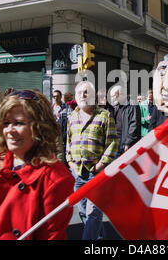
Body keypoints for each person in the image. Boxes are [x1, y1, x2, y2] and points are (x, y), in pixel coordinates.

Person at [0, 89, 74, 240]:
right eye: (6, 123)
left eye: (19, 123)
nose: (9, 131)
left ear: (40, 127)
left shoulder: (55, 178)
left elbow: (50, 236)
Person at [65, 81, 118, 240]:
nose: (83, 95)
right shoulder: (72, 116)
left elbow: (113, 142)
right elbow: (68, 141)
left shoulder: (104, 115)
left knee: (93, 212)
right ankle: (99, 236)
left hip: (96, 173)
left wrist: (101, 164)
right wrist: (70, 162)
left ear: (94, 96)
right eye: (80, 92)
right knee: (82, 211)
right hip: (78, 173)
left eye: (86, 92)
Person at [109, 84, 141, 157]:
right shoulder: (117, 105)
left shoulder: (132, 105)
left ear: (121, 94)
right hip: (116, 140)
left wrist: (128, 143)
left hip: (125, 142)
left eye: (114, 96)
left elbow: (134, 125)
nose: (113, 98)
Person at [51, 90, 71, 163]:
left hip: (64, 133)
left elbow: (70, 120)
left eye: (57, 96)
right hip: (54, 135)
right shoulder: (51, 108)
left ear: (61, 97)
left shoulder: (67, 107)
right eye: (54, 97)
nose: (56, 98)